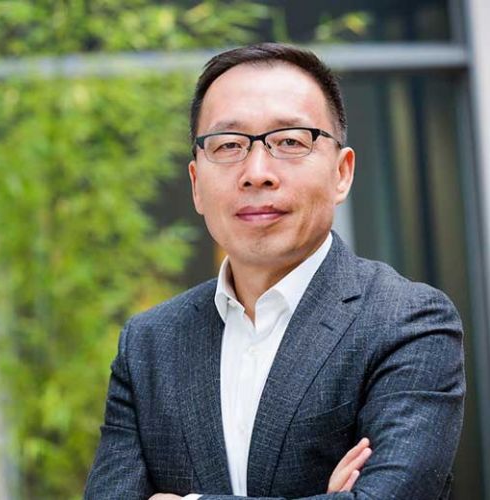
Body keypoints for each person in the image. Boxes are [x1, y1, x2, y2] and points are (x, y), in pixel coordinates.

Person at [84, 43, 465, 500]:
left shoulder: (407, 322)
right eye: (229, 145)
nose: (257, 172)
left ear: (342, 173)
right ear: (196, 184)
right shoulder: (149, 343)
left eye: (289, 142)